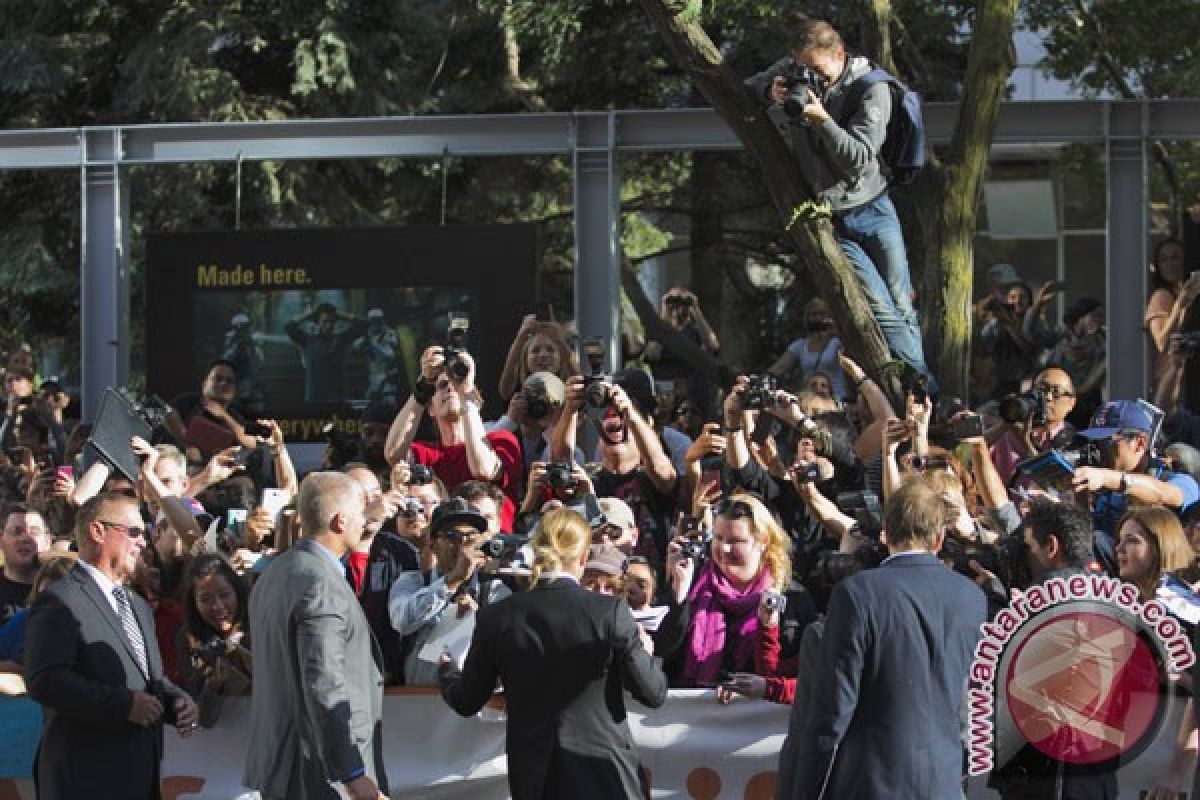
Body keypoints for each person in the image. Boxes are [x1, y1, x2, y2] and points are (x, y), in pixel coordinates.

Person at [745, 18, 934, 387]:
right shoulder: (794, 71)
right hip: (832, 215)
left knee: (901, 302)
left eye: (818, 70)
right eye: (803, 69)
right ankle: (920, 385)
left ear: (840, 55)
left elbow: (859, 158)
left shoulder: (871, 89)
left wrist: (822, 120)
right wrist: (772, 91)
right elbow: (747, 88)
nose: (811, 78)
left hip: (874, 208)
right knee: (880, 308)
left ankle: (920, 384)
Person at [776, 477, 985, 800]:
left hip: (870, 785)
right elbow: (968, 705)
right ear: (940, 537)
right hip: (943, 783)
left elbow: (832, 712)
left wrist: (806, 792)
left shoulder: (858, 593)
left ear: (886, 530)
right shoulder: (971, 597)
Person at [438, 507, 667, 800]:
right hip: (605, 773)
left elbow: (467, 700)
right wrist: (645, 652)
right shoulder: (608, 613)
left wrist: (447, 671)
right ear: (584, 558)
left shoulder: (497, 617)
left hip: (536, 776)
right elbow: (653, 693)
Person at [24, 491, 199, 800]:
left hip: (139, 777)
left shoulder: (138, 605)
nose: (142, 542)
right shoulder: (60, 600)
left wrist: (175, 702)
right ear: (97, 531)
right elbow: (45, 681)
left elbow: (147, 678)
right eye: (133, 531)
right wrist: (124, 705)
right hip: (85, 781)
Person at [243, 472, 388, 800]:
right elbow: (323, 681)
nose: (365, 521)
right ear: (340, 521)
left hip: (285, 770)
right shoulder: (319, 583)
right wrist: (352, 773)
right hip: (319, 776)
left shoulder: (272, 574)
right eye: (361, 512)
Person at [656, 493, 813, 688]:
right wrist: (677, 593)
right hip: (690, 711)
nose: (724, 549)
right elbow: (661, 651)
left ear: (763, 542)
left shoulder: (791, 597)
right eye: (718, 538)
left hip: (760, 715)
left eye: (736, 541)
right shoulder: (692, 583)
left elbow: (802, 671)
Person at [387, 498, 509, 687]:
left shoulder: (494, 589)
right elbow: (402, 621)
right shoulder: (412, 582)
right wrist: (453, 580)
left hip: (477, 703)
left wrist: (479, 618)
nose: (463, 544)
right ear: (433, 544)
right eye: (452, 536)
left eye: (471, 536)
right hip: (419, 700)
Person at [177, 554, 252, 728]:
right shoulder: (188, 640)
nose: (217, 606)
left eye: (224, 595)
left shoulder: (261, 624)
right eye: (205, 599)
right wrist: (213, 686)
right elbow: (203, 719)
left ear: (237, 592)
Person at [285, 301, 369, 405]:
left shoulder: (341, 340)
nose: (329, 326)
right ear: (318, 322)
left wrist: (340, 315)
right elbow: (289, 327)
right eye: (325, 321)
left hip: (337, 398)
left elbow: (364, 325)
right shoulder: (308, 341)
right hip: (314, 398)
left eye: (332, 321)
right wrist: (311, 314)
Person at [769, 297, 848, 398]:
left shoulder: (837, 343)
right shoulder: (800, 345)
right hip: (810, 401)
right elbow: (779, 368)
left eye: (822, 314)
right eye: (814, 314)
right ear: (808, 317)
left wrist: (835, 330)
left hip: (837, 399)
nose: (818, 318)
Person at [1145, 238, 1200, 381]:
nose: (1170, 264)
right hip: (1174, 382)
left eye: (1175, 258)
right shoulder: (1162, 296)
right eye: (1163, 259)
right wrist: (1179, 306)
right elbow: (1163, 342)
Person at [496, 314, 579, 402]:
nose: (543, 355)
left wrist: (560, 341)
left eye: (550, 350)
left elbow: (580, 383)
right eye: (535, 350)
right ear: (525, 358)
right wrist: (521, 335)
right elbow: (505, 390)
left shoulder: (569, 390)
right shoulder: (519, 391)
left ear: (561, 357)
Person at [0, 506, 47, 624]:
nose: (25, 538)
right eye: (16, 531)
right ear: (1, 540)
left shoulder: (63, 589)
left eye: (34, 531)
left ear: (48, 541)